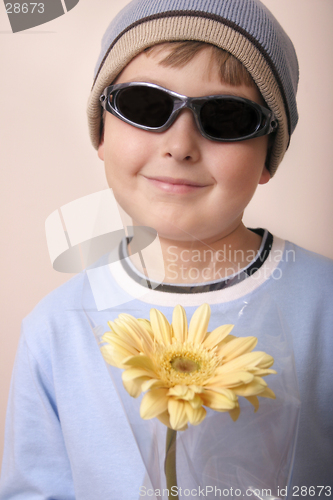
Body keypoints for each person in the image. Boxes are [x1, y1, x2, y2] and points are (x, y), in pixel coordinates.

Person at [1, 0, 332, 498]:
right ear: (101, 134)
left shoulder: (325, 307)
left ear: (269, 156)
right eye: (146, 105)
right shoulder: (55, 328)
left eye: (226, 116)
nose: (180, 144)